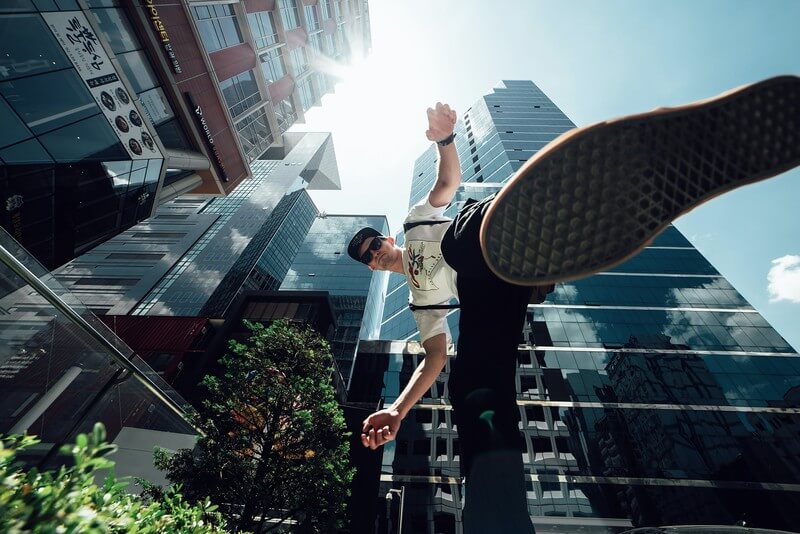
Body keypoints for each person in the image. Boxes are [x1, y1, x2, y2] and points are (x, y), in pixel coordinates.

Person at [348, 76, 799, 532]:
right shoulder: (418, 302)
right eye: (368, 257)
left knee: (461, 244)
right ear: (371, 268)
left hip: (476, 240)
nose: (375, 253)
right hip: (493, 292)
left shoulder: (414, 224)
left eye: (373, 244)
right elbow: (435, 357)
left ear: (385, 239)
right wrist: (397, 411)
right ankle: (497, 517)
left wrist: (446, 138)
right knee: (470, 380)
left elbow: (447, 183)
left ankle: (535, 223)